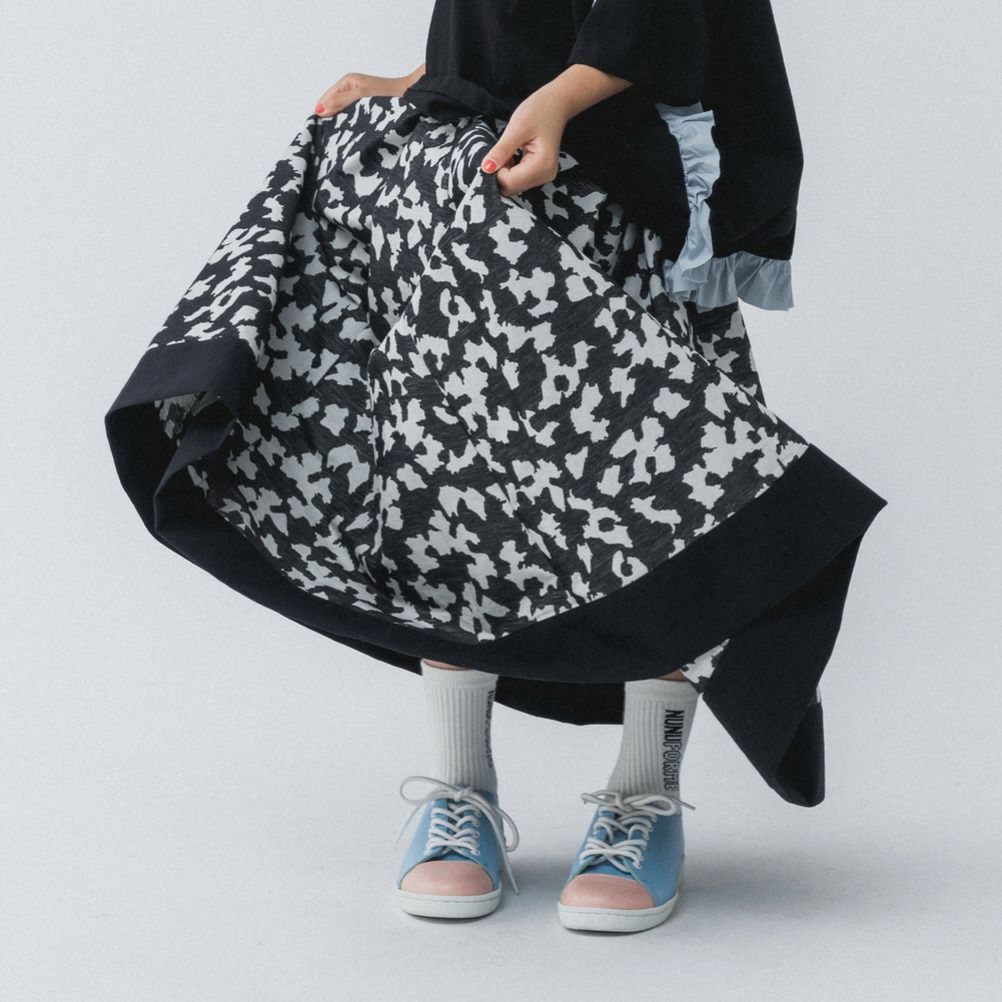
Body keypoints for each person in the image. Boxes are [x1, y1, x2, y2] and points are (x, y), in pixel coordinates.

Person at [105, 0, 887, 934]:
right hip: (477, 153)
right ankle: (458, 786)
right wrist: (427, 76)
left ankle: (644, 795)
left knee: (657, 485)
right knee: (441, 471)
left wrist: (563, 96)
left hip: (614, 175)